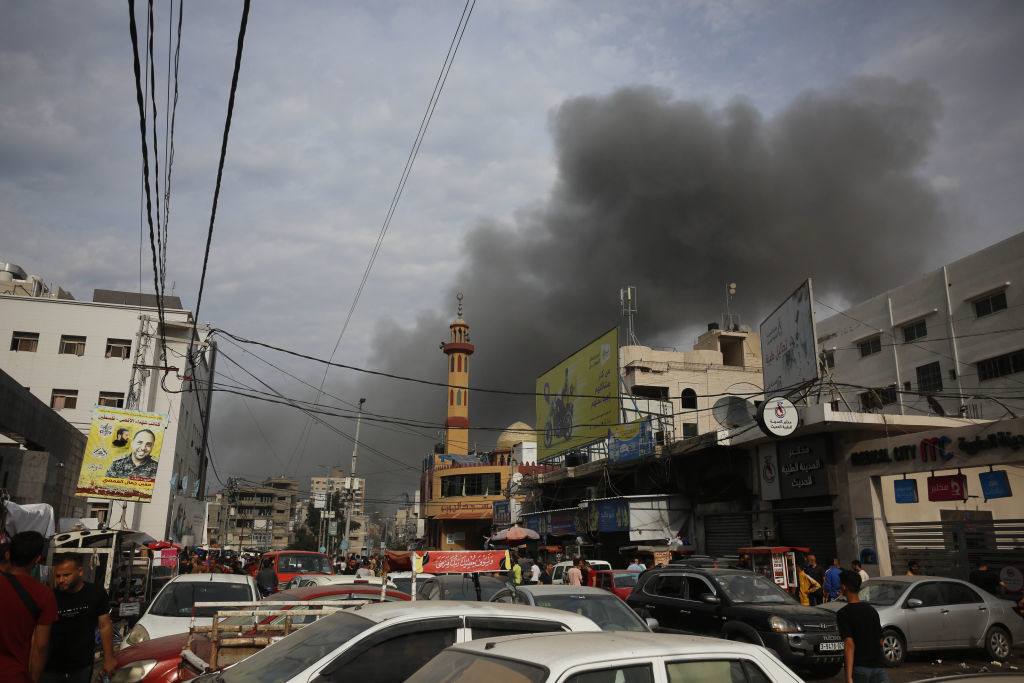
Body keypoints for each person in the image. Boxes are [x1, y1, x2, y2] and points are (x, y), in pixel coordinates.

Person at [42, 553, 116, 683]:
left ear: (80, 571)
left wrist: (109, 658)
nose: (61, 580)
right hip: (50, 668)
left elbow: (104, 626)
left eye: (66, 575)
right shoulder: (49, 596)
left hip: (82, 666)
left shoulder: (95, 593)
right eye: (58, 576)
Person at [0, 531, 58, 683]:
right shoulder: (44, 595)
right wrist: (33, 679)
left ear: (8, 555)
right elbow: (40, 646)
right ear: (37, 559)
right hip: (14, 676)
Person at [836, 570, 889, 683]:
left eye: (840, 583)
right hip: (878, 668)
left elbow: (849, 644)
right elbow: (880, 641)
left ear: (844, 587)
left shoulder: (843, 613)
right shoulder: (872, 611)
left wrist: (849, 677)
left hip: (859, 669)